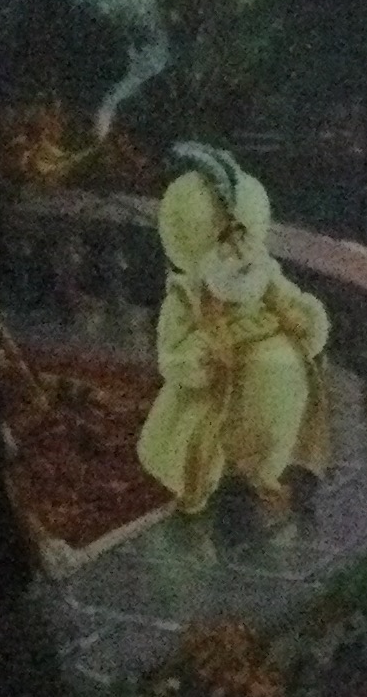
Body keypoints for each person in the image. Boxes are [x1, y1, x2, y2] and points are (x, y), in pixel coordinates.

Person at [136, 143, 333, 518]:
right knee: (217, 445)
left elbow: (296, 305)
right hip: (220, 395)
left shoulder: (264, 275)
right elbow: (174, 354)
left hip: (280, 398)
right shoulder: (187, 296)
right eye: (222, 241)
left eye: (242, 235)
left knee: (279, 430)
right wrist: (206, 353)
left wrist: (300, 318)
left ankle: (271, 470)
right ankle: (228, 484)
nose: (237, 250)